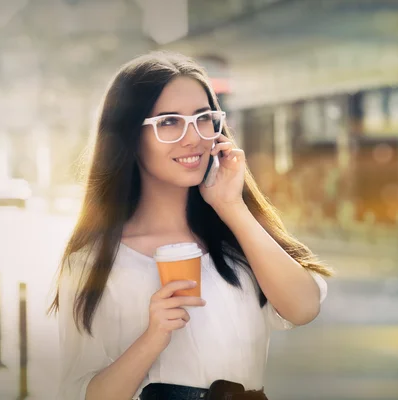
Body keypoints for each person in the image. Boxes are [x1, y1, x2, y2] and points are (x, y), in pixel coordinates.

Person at [48, 52, 332, 400]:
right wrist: (153, 337)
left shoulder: (235, 237)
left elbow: (304, 308)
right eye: (169, 122)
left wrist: (231, 206)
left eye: (203, 118)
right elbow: (82, 394)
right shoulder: (94, 262)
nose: (194, 137)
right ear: (130, 137)